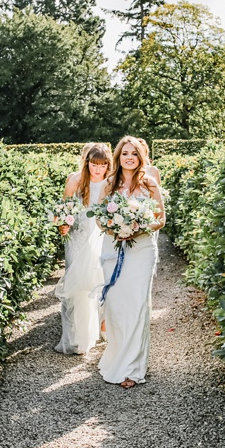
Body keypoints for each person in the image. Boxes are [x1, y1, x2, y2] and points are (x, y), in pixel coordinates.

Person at [98, 134, 164, 389]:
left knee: (137, 306)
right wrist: (118, 229)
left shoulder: (149, 184)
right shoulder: (109, 184)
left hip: (142, 249)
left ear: (141, 157)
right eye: (125, 153)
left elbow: (160, 218)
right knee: (116, 305)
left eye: (134, 153)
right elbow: (100, 220)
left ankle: (134, 369)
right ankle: (116, 357)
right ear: (118, 156)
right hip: (114, 248)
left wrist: (137, 228)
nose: (129, 157)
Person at [56, 142, 111, 354]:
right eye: (94, 164)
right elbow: (64, 207)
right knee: (75, 286)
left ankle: (97, 330)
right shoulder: (76, 180)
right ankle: (74, 338)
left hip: (101, 237)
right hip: (77, 238)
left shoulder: (111, 183)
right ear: (87, 162)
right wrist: (63, 223)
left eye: (102, 165)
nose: (97, 169)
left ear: (108, 165)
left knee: (98, 283)